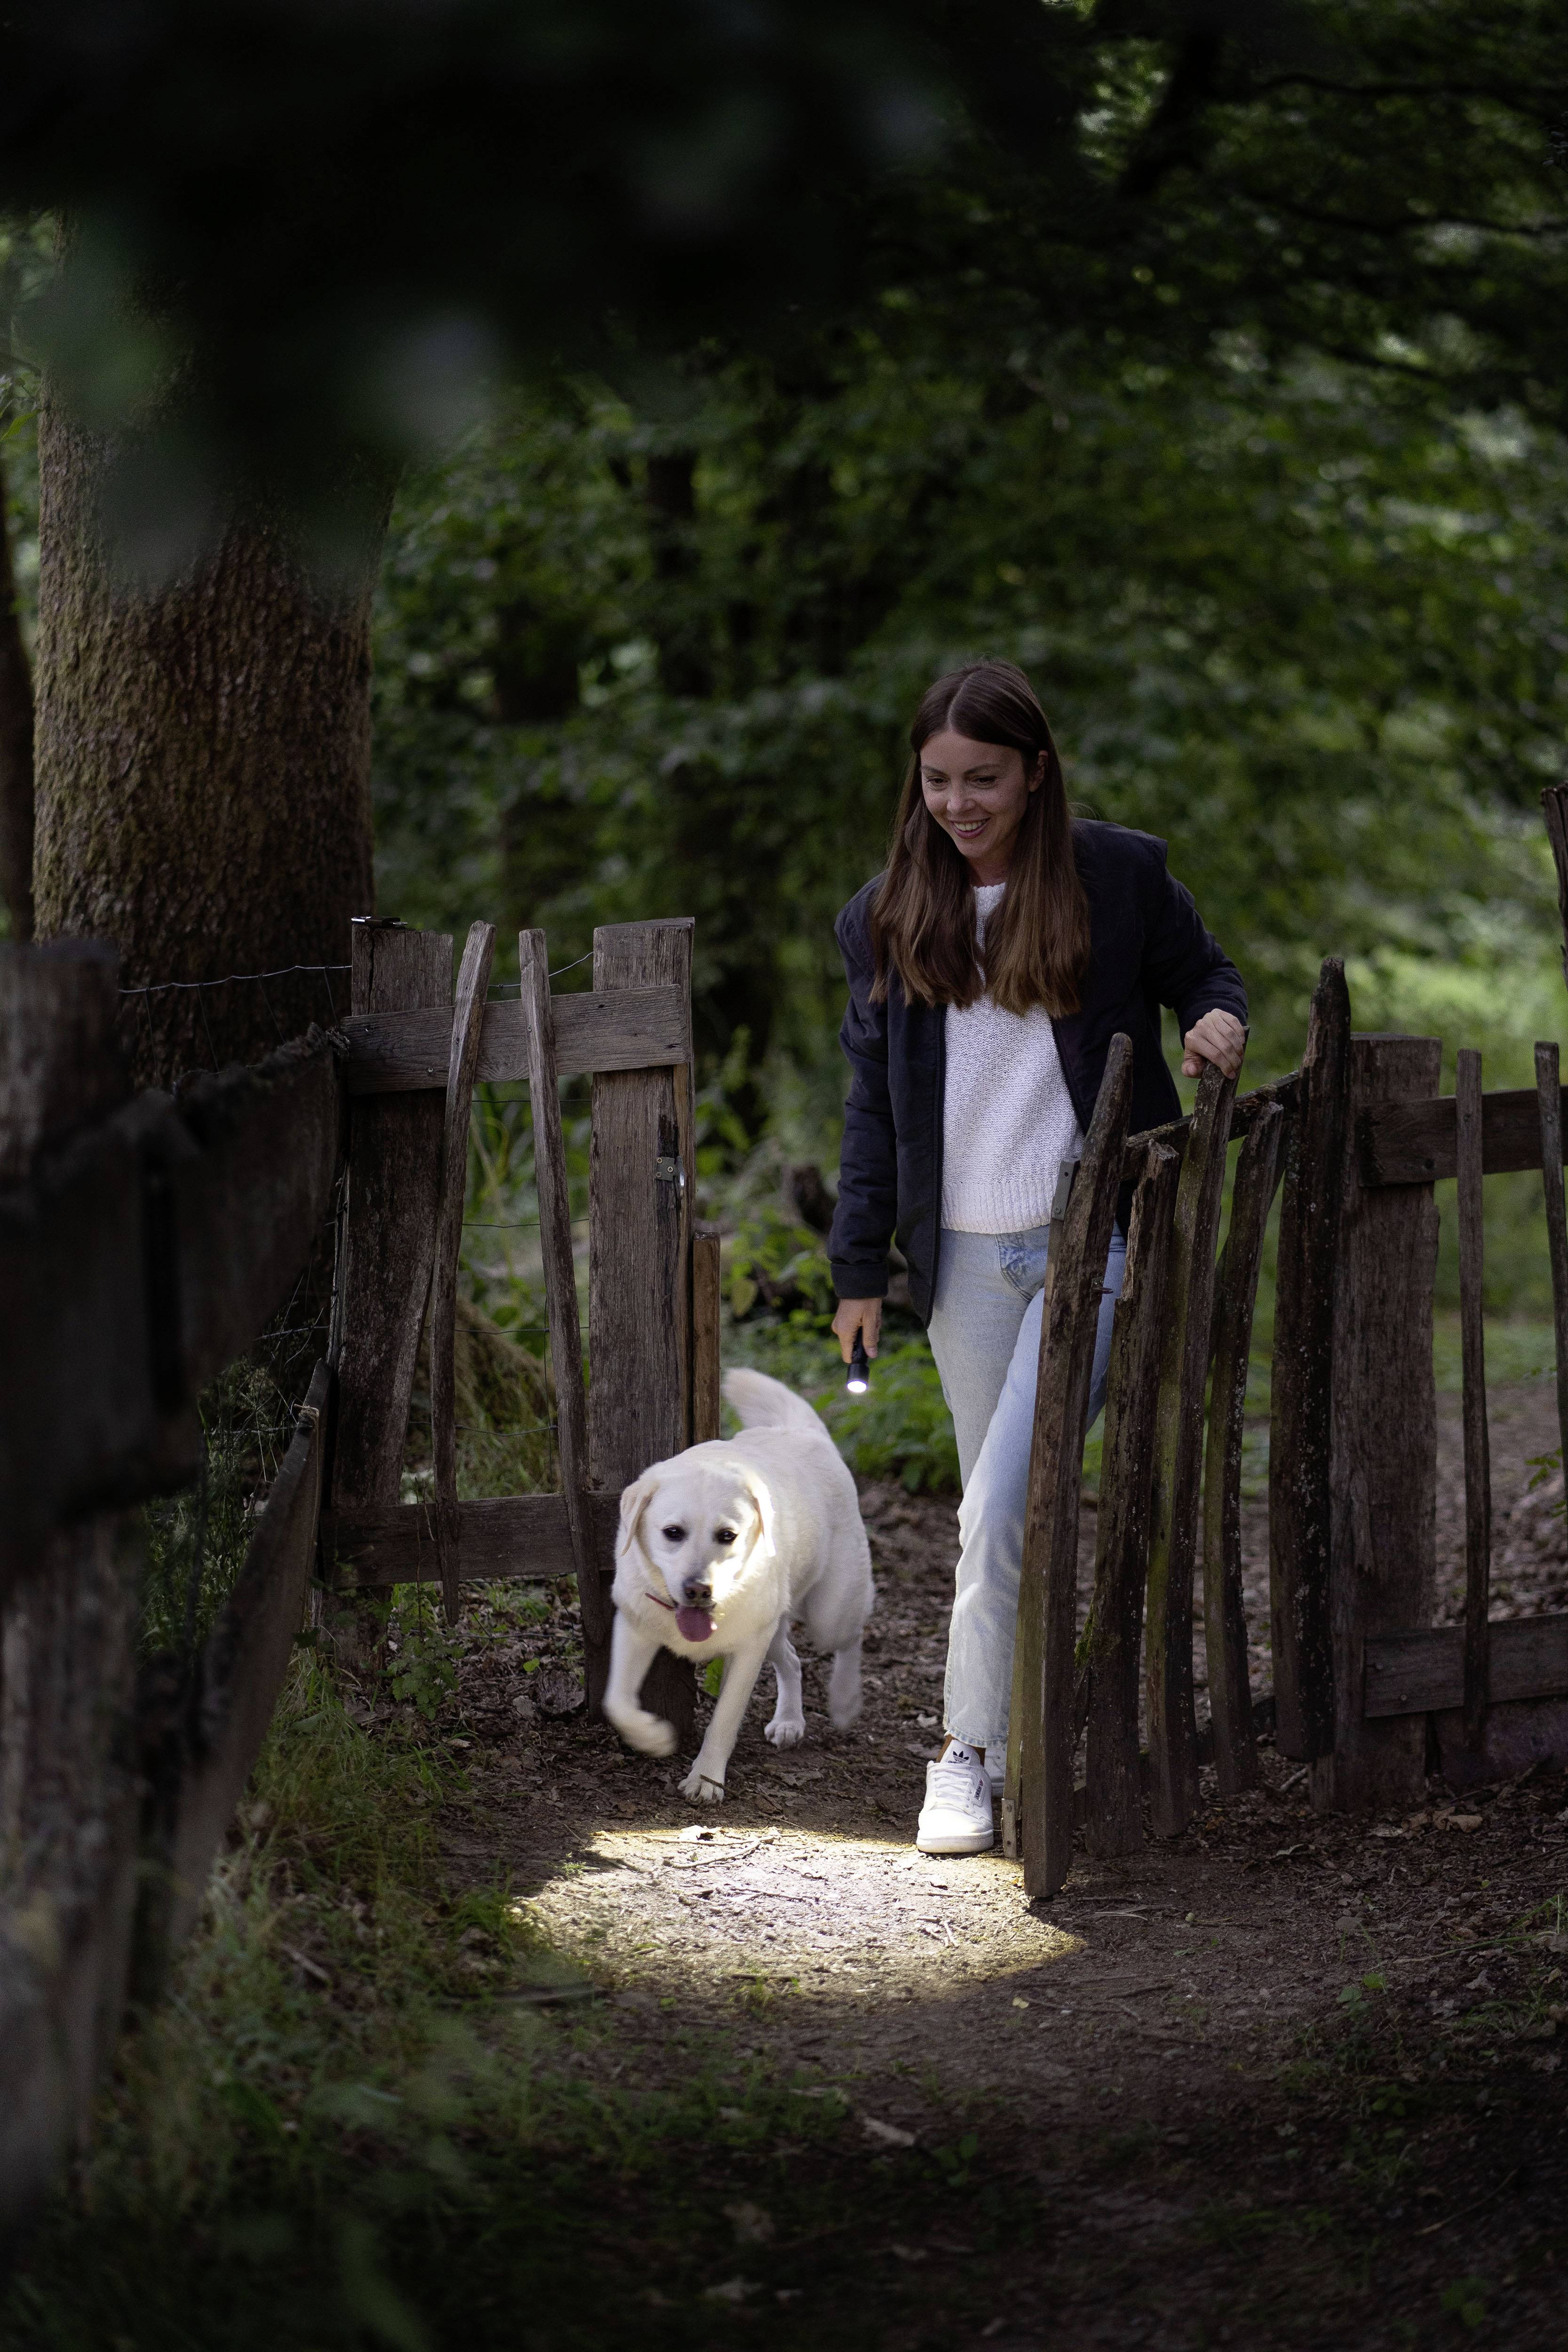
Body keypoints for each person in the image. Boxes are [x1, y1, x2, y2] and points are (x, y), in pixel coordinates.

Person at [828, 660, 1247, 1856]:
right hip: (958, 1260)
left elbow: (1204, 977)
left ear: (1035, 774)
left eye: (985, 781)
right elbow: (870, 1108)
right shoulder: (884, 915)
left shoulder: (1115, 877)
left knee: (1003, 1499)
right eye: (938, 781)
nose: (959, 804)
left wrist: (1219, 1017)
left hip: (1095, 1236)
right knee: (991, 1514)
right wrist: (860, 1266)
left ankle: (961, 1754)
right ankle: (1008, 1739)